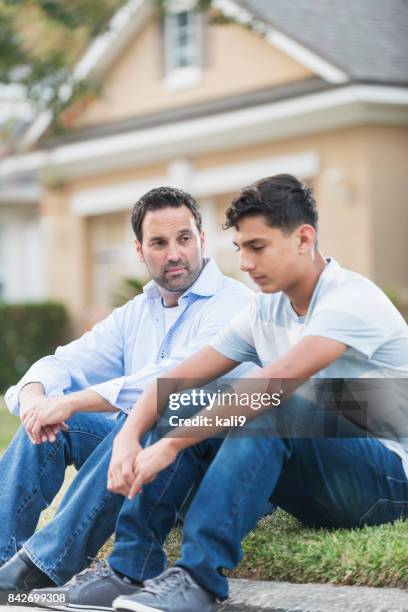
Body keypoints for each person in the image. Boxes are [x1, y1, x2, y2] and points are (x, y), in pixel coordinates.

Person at [98, 174, 407, 612]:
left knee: (268, 406)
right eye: (240, 248)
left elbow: (272, 384)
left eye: (257, 247)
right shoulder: (265, 308)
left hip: (388, 480)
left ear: (303, 238)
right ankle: (129, 569)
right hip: (322, 478)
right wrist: (130, 435)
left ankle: (198, 579)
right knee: (188, 401)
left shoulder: (351, 300)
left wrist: (168, 446)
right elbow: (179, 380)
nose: (244, 263)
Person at [0, 186, 254, 601]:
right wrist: (34, 398)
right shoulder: (138, 312)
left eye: (184, 238)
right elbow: (64, 361)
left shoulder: (235, 305)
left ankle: (42, 568)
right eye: (159, 242)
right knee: (55, 424)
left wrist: (73, 400)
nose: (175, 253)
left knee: (138, 416)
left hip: (200, 465)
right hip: (143, 463)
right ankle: (3, 565)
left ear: (202, 241)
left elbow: (171, 379)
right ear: (139, 250)